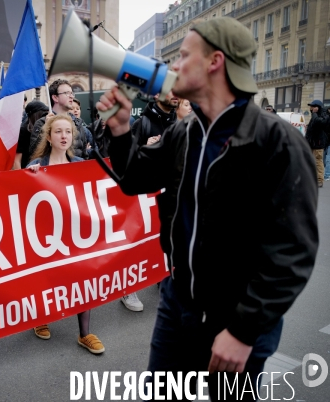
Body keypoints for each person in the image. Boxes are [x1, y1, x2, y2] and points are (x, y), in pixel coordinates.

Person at [98, 17, 317, 400]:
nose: (174, 66)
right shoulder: (184, 131)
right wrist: (119, 132)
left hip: (235, 320)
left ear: (215, 62)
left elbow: (293, 253)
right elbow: (134, 179)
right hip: (177, 303)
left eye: (183, 55)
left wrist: (243, 331)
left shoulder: (276, 141)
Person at [26, 114, 104, 355]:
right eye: (58, 132)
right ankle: (41, 317)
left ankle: (85, 334)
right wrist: (31, 177)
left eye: (68, 132)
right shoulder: (37, 164)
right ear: (49, 137)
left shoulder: (81, 162)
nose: (63, 136)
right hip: (47, 235)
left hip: (75, 233)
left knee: (83, 277)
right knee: (47, 276)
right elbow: (22, 199)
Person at [30, 79, 90, 160]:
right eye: (66, 93)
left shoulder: (77, 122)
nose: (71, 96)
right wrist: (45, 129)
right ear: (55, 97)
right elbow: (33, 152)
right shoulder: (42, 122)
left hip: (76, 169)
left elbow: (84, 153)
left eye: (71, 93)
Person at [13, 100, 49, 170]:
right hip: (28, 168)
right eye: (44, 113)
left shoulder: (46, 127)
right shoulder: (23, 130)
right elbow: (17, 159)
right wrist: (21, 176)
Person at [305, 100, 329, 187]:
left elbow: (319, 122)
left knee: (318, 161)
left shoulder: (324, 115)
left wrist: (314, 113)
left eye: (312, 106)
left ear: (317, 107)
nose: (310, 108)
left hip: (318, 143)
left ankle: (319, 180)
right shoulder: (314, 115)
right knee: (309, 161)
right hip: (311, 142)